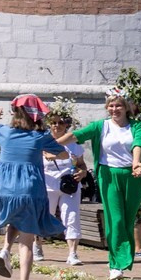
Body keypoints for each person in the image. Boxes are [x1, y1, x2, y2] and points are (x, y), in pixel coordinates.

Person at [0, 96, 67, 280]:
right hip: (30, 190)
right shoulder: (39, 136)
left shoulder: (4, 132)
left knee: (15, 219)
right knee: (27, 243)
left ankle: (4, 249)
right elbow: (63, 152)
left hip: (7, 191)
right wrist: (49, 152)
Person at [65, 91, 141, 277]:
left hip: (132, 175)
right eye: (111, 106)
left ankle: (124, 258)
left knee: (128, 219)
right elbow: (76, 136)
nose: (114, 109)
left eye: (118, 105)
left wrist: (136, 163)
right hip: (108, 175)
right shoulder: (101, 126)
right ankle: (115, 264)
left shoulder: (138, 126)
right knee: (114, 218)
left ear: (126, 107)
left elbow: (139, 144)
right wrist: (50, 143)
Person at [41, 110, 87, 267]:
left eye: (61, 122)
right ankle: (37, 246)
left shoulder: (74, 145)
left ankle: (72, 253)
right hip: (47, 184)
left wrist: (82, 172)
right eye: (54, 122)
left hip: (69, 185)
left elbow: (81, 164)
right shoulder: (43, 142)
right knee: (44, 216)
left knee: (71, 216)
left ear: (67, 124)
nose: (57, 126)